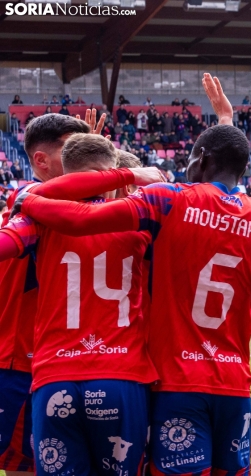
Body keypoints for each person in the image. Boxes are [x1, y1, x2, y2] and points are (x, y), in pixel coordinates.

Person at [14, 74, 251, 476]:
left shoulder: (168, 202)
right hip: (231, 385)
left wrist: (26, 198)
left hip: (169, 383)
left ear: (201, 159)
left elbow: (84, 216)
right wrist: (226, 124)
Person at [0, 135, 165, 476]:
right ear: (110, 173)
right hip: (120, 375)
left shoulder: (37, 214)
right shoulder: (143, 220)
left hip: (54, 378)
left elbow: (6, 243)